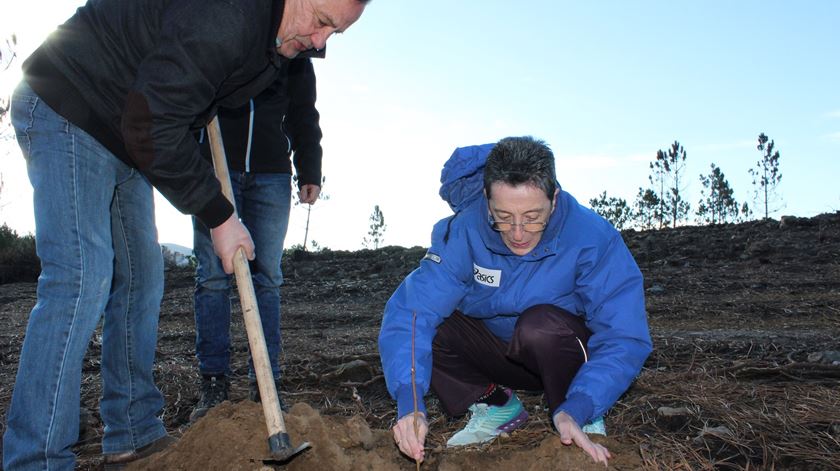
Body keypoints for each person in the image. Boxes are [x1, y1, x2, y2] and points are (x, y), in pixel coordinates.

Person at [2, 0, 367, 469]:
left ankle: (133, 431)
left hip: (124, 133)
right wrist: (218, 214)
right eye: (320, 22)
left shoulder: (269, 45)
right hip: (71, 100)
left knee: (141, 280)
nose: (320, 43)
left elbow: (178, 109)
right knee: (80, 277)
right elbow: (153, 121)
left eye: (334, 33)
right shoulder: (229, 14)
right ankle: (35, 458)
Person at [379, 136, 652, 466]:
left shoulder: (591, 237)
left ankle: (581, 412)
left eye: (533, 216)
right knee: (431, 325)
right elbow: (412, 310)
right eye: (503, 216)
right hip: (498, 352)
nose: (518, 233)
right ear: (486, 199)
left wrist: (580, 404)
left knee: (540, 325)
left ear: (554, 198)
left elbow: (624, 334)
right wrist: (409, 401)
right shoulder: (465, 231)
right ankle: (495, 404)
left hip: (565, 357)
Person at [189, 57, 323, 422]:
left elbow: (303, 110)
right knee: (213, 277)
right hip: (215, 167)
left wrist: (309, 166)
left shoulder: (294, 45)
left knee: (268, 278)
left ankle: (266, 382)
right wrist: (190, 151)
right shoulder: (230, 28)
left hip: (271, 172)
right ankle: (214, 383)